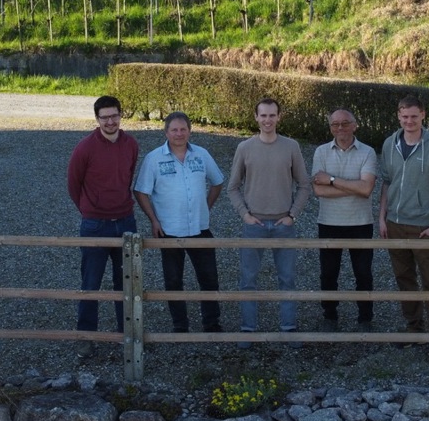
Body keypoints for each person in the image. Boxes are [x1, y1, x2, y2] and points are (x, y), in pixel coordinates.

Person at [226, 97, 312, 347]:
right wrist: (244, 214)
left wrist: (292, 215)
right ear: (256, 117)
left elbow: (304, 185)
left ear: (279, 117)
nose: (267, 120)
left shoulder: (291, 146)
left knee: (287, 279)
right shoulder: (244, 148)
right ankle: (248, 330)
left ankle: (288, 328)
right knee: (248, 280)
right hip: (254, 225)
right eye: (263, 115)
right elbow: (233, 187)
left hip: (284, 224)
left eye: (272, 115)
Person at [377, 95, 429, 367]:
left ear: (423, 115)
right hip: (395, 224)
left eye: (414, 116)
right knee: (404, 279)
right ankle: (414, 329)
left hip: (423, 227)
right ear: (398, 116)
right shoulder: (390, 144)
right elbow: (387, 182)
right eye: (404, 116)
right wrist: (382, 217)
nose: (409, 121)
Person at [133, 111, 225, 334]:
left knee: (209, 278)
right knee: (173, 281)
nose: (179, 134)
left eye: (183, 129)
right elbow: (141, 191)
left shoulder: (201, 154)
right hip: (169, 231)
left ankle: (211, 323)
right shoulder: (154, 159)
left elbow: (218, 182)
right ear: (166, 132)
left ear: (190, 131)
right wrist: (154, 220)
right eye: (174, 129)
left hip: (200, 228)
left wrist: (206, 206)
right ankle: (180, 325)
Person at [66, 95, 139, 359]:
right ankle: (86, 337)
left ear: (121, 115)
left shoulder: (131, 144)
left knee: (127, 283)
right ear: (97, 119)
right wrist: (90, 210)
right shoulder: (84, 148)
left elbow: (127, 177)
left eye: (114, 115)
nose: (110, 121)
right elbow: (73, 185)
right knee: (91, 282)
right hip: (95, 225)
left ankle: (127, 334)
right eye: (104, 117)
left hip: (125, 222)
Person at [310, 108, 377, 331]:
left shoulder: (368, 152)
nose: (340, 128)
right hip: (329, 222)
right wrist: (353, 186)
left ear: (355, 125)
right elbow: (318, 191)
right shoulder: (321, 152)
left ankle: (365, 318)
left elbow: (366, 189)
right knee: (328, 273)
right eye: (335, 124)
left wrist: (331, 180)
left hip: (361, 223)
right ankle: (329, 316)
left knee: (363, 273)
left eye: (345, 123)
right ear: (330, 128)